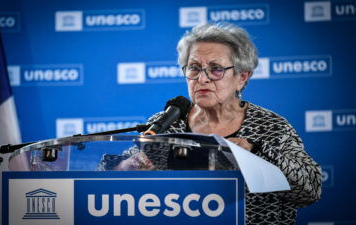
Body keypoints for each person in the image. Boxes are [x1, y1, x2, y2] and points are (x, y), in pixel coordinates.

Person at [98, 23, 322, 224]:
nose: (202, 79)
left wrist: (256, 151)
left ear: (242, 77)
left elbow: (309, 190)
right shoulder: (167, 123)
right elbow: (106, 178)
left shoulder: (270, 127)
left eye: (216, 69)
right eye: (194, 67)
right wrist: (124, 167)